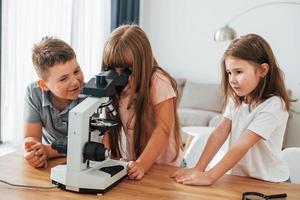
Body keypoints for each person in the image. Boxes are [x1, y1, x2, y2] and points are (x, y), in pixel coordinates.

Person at [171, 34, 291, 185]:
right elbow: (220, 132)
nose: (232, 79)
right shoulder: (236, 99)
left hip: (271, 183)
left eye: (239, 72)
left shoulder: (274, 105)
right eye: (229, 73)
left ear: (263, 70)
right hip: (240, 179)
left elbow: (243, 143)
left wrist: (211, 176)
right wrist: (199, 169)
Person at [101, 24, 184, 180]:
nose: (119, 75)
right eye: (113, 68)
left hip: (166, 167)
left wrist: (142, 164)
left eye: (126, 69)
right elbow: (107, 127)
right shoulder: (118, 87)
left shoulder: (158, 82)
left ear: (142, 63)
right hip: (138, 165)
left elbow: (163, 129)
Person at [23, 37, 84, 168]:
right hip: (54, 164)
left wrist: (48, 151)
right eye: (63, 78)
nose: (75, 81)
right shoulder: (34, 93)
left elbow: (86, 143)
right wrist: (34, 152)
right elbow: (31, 136)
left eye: (76, 71)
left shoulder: (90, 95)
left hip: (83, 161)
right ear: (44, 85)